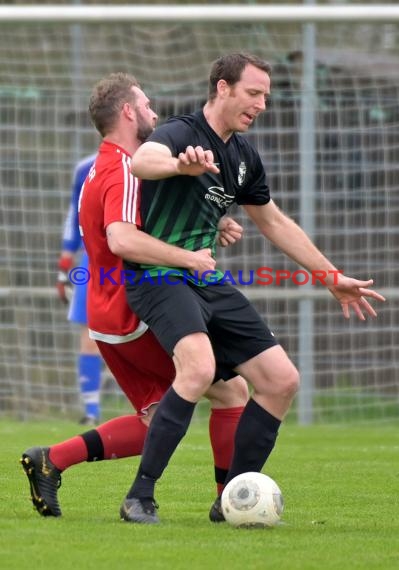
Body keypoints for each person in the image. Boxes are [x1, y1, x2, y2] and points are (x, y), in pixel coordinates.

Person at [123, 52, 386, 524]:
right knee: (199, 367)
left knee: (280, 380)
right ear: (222, 88)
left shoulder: (243, 157)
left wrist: (332, 278)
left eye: (265, 94)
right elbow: (143, 160)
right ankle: (139, 497)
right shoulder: (182, 133)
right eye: (253, 92)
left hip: (205, 277)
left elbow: (275, 223)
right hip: (158, 275)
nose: (262, 103)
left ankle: (233, 502)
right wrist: (180, 167)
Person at [20, 72, 248, 520]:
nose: (154, 113)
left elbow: (138, 224)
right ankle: (227, 500)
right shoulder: (123, 169)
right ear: (127, 112)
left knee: (157, 422)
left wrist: (213, 225)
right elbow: (123, 241)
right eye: (145, 105)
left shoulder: (105, 167)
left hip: (108, 314)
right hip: (132, 309)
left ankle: (52, 459)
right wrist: (189, 257)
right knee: (231, 391)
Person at [57, 154, 102, 425]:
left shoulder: (149, 159)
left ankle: (158, 406)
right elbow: (74, 216)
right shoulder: (86, 167)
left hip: (138, 259)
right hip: (94, 262)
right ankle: (92, 411)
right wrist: (65, 263)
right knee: (89, 333)